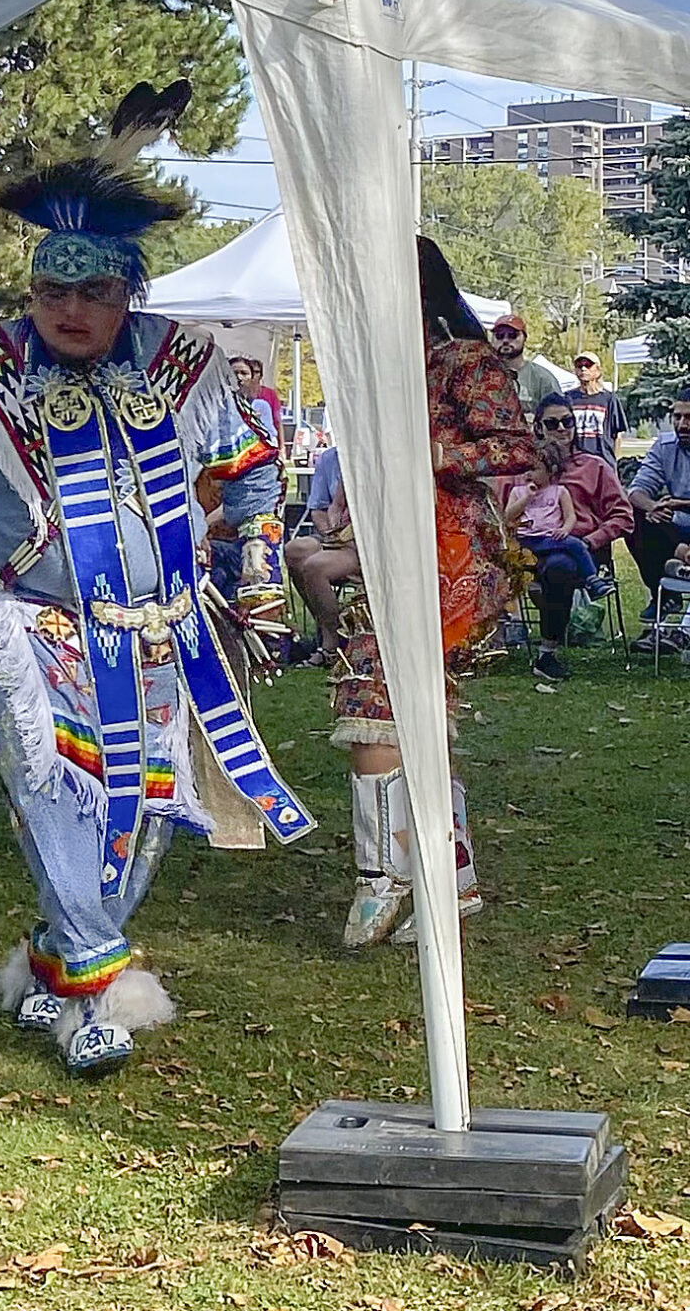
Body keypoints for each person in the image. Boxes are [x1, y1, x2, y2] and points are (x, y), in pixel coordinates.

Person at [0, 82, 311, 1076]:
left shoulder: (186, 364)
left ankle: (53, 956)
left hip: (160, 628)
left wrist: (261, 569)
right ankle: (96, 992)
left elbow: (255, 470)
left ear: (125, 293)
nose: (68, 310)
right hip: (33, 622)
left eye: (91, 293)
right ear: (28, 294)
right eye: (50, 292)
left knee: (142, 808)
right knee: (49, 788)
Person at [326, 240, 536, 950]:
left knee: (376, 697)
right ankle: (449, 874)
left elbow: (516, 449)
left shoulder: (463, 359)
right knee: (394, 702)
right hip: (392, 543)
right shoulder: (382, 367)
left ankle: (387, 879)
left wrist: (437, 457)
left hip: (449, 553)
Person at [510, 398, 628, 682]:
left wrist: (590, 540)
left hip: (582, 548)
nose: (562, 428)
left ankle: (547, 653)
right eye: (552, 423)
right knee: (551, 566)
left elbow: (623, 515)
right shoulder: (522, 471)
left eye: (568, 421)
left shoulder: (594, 467)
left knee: (561, 566)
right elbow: (501, 512)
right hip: (531, 548)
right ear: (538, 428)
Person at [285, 441, 356, 665]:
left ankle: (331, 646)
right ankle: (326, 627)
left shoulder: (373, 460)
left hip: (365, 546)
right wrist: (332, 532)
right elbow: (324, 508)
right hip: (337, 536)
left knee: (315, 566)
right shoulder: (331, 459)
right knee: (294, 550)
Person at [626, 397, 690, 637]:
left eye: (689, 418)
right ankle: (665, 594)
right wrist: (652, 506)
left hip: (681, 512)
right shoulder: (666, 446)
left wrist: (680, 502)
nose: (683, 425)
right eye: (678, 417)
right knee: (634, 516)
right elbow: (636, 490)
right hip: (678, 523)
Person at [490, 314, 563, 418]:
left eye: (512, 335)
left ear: (524, 338)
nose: (505, 340)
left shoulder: (543, 379)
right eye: (499, 336)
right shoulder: (480, 376)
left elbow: (559, 416)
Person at [565, 350, 624, 467]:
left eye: (588, 365)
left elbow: (617, 435)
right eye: (579, 366)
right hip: (576, 463)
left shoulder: (609, 399)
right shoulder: (567, 398)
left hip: (603, 461)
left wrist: (613, 461)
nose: (583, 369)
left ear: (597, 370)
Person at [231, 355, 283, 440]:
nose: (239, 377)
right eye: (234, 373)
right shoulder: (216, 405)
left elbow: (274, 426)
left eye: (244, 373)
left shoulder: (261, 405)